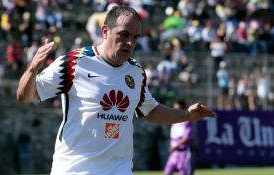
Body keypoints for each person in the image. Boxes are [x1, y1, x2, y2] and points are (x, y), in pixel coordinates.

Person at [16, 6, 216, 175]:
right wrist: (33, 69)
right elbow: (25, 96)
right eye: (124, 34)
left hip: (118, 169)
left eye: (135, 37)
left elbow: (151, 111)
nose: (130, 43)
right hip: (74, 169)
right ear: (105, 32)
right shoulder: (75, 63)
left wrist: (187, 115)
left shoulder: (136, 72)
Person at [164, 100, 194, 175]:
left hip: (184, 153)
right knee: (167, 172)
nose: (175, 111)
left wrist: (175, 147)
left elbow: (186, 138)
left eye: (178, 109)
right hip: (174, 154)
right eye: (174, 109)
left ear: (183, 109)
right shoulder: (174, 122)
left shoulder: (187, 122)